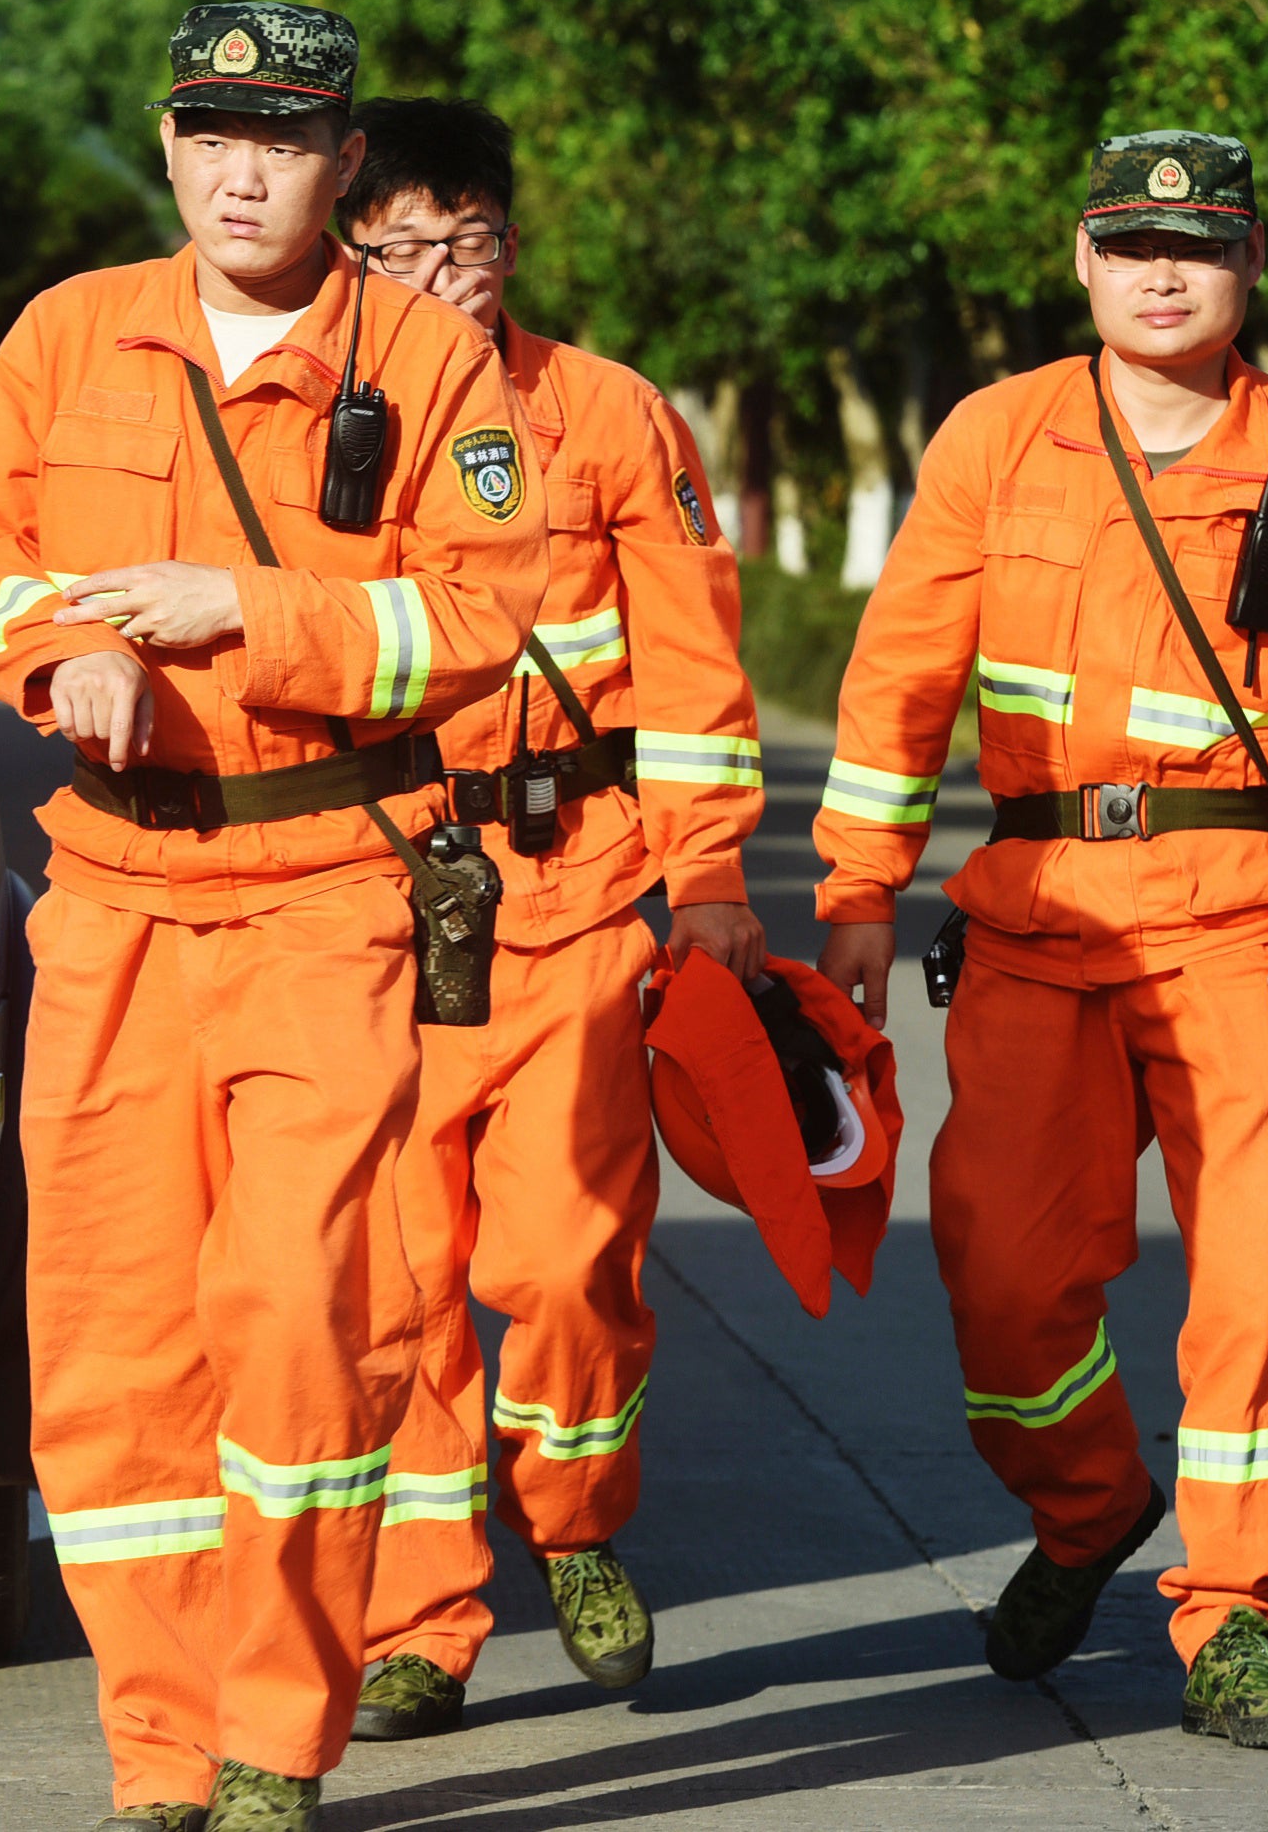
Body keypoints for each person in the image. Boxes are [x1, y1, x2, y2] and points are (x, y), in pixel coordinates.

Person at [0, 5, 546, 1832]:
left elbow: (480, 617)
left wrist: (237, 612)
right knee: (114, 1344)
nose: (237, 168)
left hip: (326, 895)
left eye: (279, 138)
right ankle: (156, 1755)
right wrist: (68, 651)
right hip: (112, 903)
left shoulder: (434, 364)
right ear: (170, 137)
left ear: (345, 164)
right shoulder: (68, 334)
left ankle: (275, 1739)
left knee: (294, 1319)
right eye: (208, 131)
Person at [813, 132, 1268, 1749]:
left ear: (1246, 268)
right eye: (1130, 241)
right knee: (999, 1269)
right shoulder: (994, 436)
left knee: (1249, 1288)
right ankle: (1090, 1499)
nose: (1161, 270)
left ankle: (1233, 1612)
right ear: (1080, 260)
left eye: (1197, 243)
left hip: (1249, 937)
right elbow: (897, 686)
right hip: (1035, 923)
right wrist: (851, 895)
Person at [332, 98, 767, 1740]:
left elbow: (698, 670)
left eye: (471, 237)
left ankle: (575, 1526)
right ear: (347, 248)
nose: (441, 271)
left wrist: (710, 878)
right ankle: (418, 1623)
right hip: (374, 891)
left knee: (570, 1254)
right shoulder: (321, 413)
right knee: (403, 1275)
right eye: (401, 244)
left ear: (512, 241)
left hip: (578, 883)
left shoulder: (605, 413)